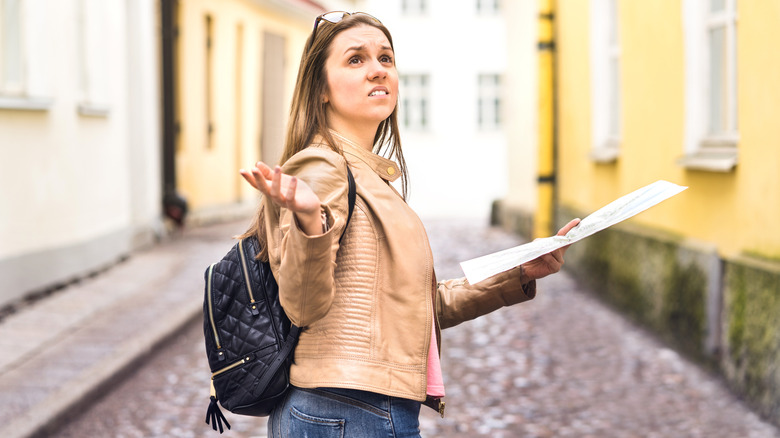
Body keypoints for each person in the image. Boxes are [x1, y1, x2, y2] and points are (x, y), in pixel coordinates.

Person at [239, 11, 580, 438]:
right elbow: (303, 305)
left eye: (385, 57)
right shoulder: (323, 166)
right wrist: (310, 223)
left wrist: (519, 273)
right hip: (347, 409)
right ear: (321, 88)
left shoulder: (366, 175)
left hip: (360, 408)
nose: (378, 69)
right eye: (356, 60)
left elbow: (414, 309)